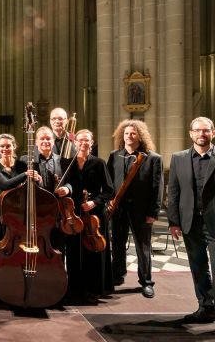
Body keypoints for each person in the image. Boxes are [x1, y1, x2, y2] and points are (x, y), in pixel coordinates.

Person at [167, 117, 215, 342]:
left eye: (206, 130)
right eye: (197, 130)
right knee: (198, 267)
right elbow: (173, 192)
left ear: (214, 133)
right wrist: (174, 222)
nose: (201, 134)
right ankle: (206, 307)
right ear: (190, 134)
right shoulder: (179, 158)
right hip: (190, 223)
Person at [107, 119, 163, 299]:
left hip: (141, 210)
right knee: (117, 244)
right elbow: (109, 183)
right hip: (118, 209)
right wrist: (108, 203)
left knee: (143, 247)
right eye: (126, 133)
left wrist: (153, 212)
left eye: (133, 133)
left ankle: (146, 282)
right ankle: (117, 275)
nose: (129, 136)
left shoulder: (152, 158)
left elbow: (157, 187)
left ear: (140, 136)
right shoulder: (115, 155)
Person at [66, 129, 114, 301]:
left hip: (94, 214)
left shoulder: (99, 163)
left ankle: (95, 288)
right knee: (74, 250)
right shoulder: (68, 163)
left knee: (94, 250)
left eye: (87, 141)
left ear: (92, 143)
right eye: (80, 140)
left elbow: (109, 190)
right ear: (75, 142)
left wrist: (94, 202)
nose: (83, 143)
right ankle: (74, 288)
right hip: (74, 213)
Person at [0, 133, 41, 239]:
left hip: (20, 210)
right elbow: (5, 185)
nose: (5, 149)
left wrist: (37, 179)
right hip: (1, 211)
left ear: (14, 146)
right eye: (2, 146)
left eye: (8, 146)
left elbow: (30, 186)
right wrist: (25, 174)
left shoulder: (22, 165)